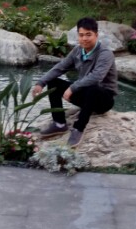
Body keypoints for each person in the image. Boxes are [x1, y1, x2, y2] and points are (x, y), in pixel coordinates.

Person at [32, 17, 117, 148]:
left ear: (96, 35)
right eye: (81, 35)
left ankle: (78, 128)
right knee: (53, 83)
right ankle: (59, 123)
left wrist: (72, 88)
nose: (84, 38)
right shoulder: (77, 51)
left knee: (93, 87)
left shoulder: (105, 53)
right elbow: (60, 67)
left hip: (103, 100)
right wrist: (41, 82)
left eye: (88, 35)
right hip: (86, 96)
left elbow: (97, 77)